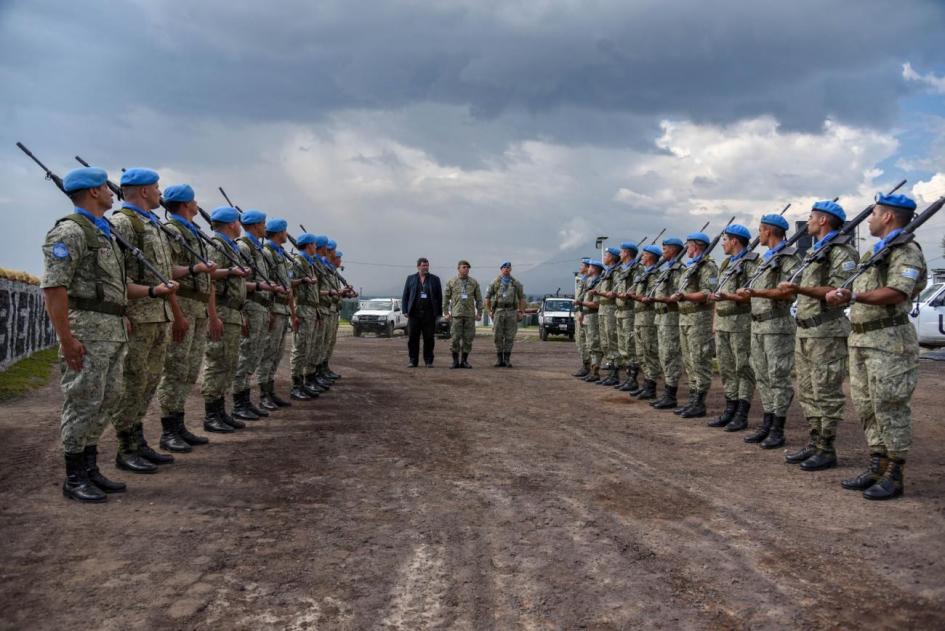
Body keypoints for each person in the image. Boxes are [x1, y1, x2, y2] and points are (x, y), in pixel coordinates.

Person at [42, 167, 174, 502]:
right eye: (104, 186)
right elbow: (55, 289)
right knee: (84, 400)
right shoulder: (70, 233)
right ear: (92, 192)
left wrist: (154, 292)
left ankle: (90, 467)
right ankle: (74, 476)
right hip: (87, 329)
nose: (110, 190)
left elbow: (118, 288)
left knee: (108, 397)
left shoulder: (103, 232)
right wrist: (66, 339)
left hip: (112, 329)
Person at [826, 193, 928, 500]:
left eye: (873, 214)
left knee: (890, 406)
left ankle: (895, 473)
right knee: (867, 406)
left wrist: (852, 297)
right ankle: (877, 464)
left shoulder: (906, 251)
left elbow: (897, 291)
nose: (868, 219)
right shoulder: (877, 251)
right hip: (861, 339)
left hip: (889, 342)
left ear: (887, 217)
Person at [110, 168, 187, 474]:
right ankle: (124, 446)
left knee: (148, 381)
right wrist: (123, 312)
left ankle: (138, 440)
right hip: (139, 316)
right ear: (143, 191)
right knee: (132, 382)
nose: (160, 193)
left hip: (158, 316)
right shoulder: (123, 223)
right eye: (156, 187)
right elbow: (115, 275)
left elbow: (164, 271)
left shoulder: (152, 225)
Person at [777, 201, 857, 471]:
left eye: (811, 217)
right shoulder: (814, 252)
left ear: (823, 220)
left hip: (826, 331)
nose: (808, 221)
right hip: (806, 330)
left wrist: (800, 288)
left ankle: (827, 446)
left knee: (826, 391)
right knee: (808, 391)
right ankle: (815, 441)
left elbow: (838, 289)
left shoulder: (842, 252)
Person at [155, 184, 220, 452]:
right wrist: (194, 268)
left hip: (198, 308)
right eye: (193, 200)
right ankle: (168, 430)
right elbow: (164, 270)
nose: (197, 204)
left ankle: (179, 425)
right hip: (183, 304)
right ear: (184, 204)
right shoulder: (171, 231)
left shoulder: (193, 232)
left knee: (190, 370)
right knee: (175, 369)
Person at [736, 214, 800, 448]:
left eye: (761, 230)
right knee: (762, 375)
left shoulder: (789, 258)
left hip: (776, 326)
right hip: (758, 325)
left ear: (770, 231)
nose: (758, 235)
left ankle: (777, 428)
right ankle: (767, 421)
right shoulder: (766, 258)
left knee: (777, 376)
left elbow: (787, 292)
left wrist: (755, 293)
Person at [200, 207, 249, 432]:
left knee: (228, 363)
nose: (240, 226)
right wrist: (231, 271)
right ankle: (211, 414)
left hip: (233, 312)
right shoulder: (217, 245)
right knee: (217, 363)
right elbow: (208, 276)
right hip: (221, 310)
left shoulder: (231, 246)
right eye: (238, 222)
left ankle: (220, 411)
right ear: (231, 224)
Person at [233, 209, 283, 421]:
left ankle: (252, 399)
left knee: (257, 354)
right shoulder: (245, 247)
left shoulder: (257, 248)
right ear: (254, 225)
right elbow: (239, 283)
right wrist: (243, 311)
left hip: (262, 307)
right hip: (251, 307)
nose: (266, 227)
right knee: (247, 357)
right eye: (263, 224)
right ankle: (239, 403)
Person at [707, 224, 756, 431]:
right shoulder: (726, 263)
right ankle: (730, 408)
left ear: (735, 241)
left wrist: (729, 297)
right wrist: (715, 320)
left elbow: (751, 294)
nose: (723, 244)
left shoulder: (751, 263)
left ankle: (742, 413)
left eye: (725, 240)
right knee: (727, 368)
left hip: (740, 322)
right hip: (724, 322)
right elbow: (719, 295)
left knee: (742, 368)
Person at [669, 232, 719, 418]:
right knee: (689, 362)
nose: (686, 249)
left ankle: (699, 402)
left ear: (696, 246)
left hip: (699, 319)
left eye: (688, 245)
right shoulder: (690, 267)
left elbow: (708, 292)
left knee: (699, 361)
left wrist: (685, 296)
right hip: (685, 318)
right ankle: (692, 400)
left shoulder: (708, 267)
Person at [257, 218, 299, 410]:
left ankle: (270, 391)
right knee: (268, 353)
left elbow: (288, 287)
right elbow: (268, 284)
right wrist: (269, 309)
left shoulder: (280, 254)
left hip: (282, 308)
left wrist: (292, 311)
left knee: (276, 353)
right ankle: (263, 394)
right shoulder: (267, 253)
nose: (286, 234)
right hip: (273, 308)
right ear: (278, 232)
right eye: (284, 231)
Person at [648, 237, 684, 409]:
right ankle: (666, 393)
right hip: (661, 318)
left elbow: (678, 295)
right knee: (663, 355)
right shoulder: (666, 270)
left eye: (666, 249)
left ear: (674, 250)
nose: (663, 252)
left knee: (670, 355)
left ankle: (671, 395)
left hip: (670, 318)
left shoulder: (678, 271)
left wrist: (664, 299)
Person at [288, 233, 321, 400]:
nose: (316, 248)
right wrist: (303, 280)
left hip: (310, 310)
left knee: (306, 348)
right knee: (299, 349)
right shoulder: (298, 262)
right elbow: (288, 284)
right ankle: (296, 386)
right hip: (301, 308)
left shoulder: (309, 263)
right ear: (309, 245)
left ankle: (302, 383)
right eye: (314, 245)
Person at [628, 245, 663, 399]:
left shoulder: (655, 275)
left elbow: (648, 297)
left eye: (645, 255)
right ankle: (646, 385)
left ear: (651, 257)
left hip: (648, 318)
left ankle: (651, 386)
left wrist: (634, 296)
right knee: (641, 353)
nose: (641, 257)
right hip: (639, 317)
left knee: (649, 352)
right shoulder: (644, 274)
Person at [402, 257, 443, 367]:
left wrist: (439, 314)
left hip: (429, 314)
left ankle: (429, 361)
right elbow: (405, 295)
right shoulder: (410, 279)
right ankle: (413, 361)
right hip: (414, 314)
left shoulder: (435, 279)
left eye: (427, 265)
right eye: (423, 265)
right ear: (418, 266)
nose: (426, 267)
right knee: (412, 338)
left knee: (429, 338)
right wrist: (405, 310)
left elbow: (439, 297)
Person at [485, 261, 526, 367]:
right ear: (501, 269)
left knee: (510, 336)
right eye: (505, 267)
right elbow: (487, 297)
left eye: (508, 267)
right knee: (497, 336)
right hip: (498, 311)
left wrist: (521, 311)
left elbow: (522, 298)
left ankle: (507, 359)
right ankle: (499, 359)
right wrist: (489, 310)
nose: (507, 269)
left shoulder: (516, 283)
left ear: (511, 269)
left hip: (511, 312)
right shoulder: (495, 282)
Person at [443, 260, 483, 368]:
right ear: (458, 269)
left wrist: (479, 313)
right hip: (456, 315)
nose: (466, 269)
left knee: (468, 339)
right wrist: (446, 312)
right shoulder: (452, 282)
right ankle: (455, 361)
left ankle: (464, 361)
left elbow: (479, 299)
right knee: (455, 338)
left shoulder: (473, 282)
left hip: (469, 315)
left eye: (467, 267)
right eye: (464, 267)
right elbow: (446, 298)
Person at [612, 243, 641, 392]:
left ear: (628, 253)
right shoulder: (623, 269)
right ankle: (629, 376)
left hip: (629, 312)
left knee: (630, 345)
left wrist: (628, 294)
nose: (620, 254)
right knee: (623, 346)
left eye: (622, 251)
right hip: (620, 311)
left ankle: (633, 378)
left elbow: (637, 287)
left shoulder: (636, 269)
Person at [591, 248, 621, 385]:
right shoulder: (607, 272)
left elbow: (613, 293)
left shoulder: (616, 273)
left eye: (607, 254)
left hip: (610, 309)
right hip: (603, 309)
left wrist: (599, 294)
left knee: (612, 341)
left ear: (613, 257)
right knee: (605, 343)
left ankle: (614, 374)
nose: (604, 256)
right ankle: (611, 372)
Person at [575, 260, 604, 381]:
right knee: (587, 343)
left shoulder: (597, 283)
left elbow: (596, 304)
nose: (587, 269)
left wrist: (581, 304)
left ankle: (595, 371)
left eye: (590, 266)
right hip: (586, 315)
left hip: (592, 316)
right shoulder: (589, 281)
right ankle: (589, 368)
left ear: (595, 269)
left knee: (593, 344)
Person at [572, 258, 592, 377]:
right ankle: (585, 364)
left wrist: (581, 313)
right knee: (579, 341)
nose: (580, 267)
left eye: (582, 265)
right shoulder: (582, 280)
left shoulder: (589, 281)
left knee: (586, 341)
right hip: (579, 313)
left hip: (584, 313)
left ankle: (587, 366)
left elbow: (584, 299)